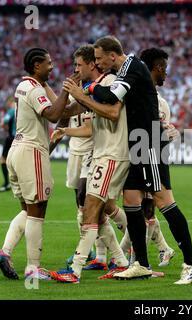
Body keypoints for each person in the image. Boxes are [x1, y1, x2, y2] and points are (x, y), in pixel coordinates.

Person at [82, 36, 192, 284]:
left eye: (99, 58)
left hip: (149, 143)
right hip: (138, 143)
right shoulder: (128, 69)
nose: (97, 62)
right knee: (131, 199)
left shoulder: (131, 67)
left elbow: (109, 96)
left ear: (112, 55)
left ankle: (191, 262)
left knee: (163, 199)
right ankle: (141, 264)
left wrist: (88, 87)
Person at [50, 41, 131, 283]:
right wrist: (65, 92)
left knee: (92, 208)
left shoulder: (110, 83)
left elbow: (113, 113)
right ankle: (120, 262)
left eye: (79, 65)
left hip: (112, 154)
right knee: (93, 209)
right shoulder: (92, 86)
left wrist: (79, 94)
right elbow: (67, 112)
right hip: (102, 154)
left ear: (93, 64)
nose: (76, 70)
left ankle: (75, 270)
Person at [0, 48, 73, 280]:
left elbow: (62, 112)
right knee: (38, 210)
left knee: (27, 210)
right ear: (37, 65)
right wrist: (67, 92)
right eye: (48, 63)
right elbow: (54, 115)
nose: (52, 66)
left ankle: (5, 252)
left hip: (16, 151)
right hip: (31, 153)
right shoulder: (33, 88)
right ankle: (33, 268)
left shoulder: (22, 86)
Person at [119, 48, 178, 267]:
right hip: (133, 154)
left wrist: (168, 134)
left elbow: (162, 130)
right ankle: (157, 251)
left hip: (152, 155)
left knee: (148, 208)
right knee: (134, 205)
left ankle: (127, 257)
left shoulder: (161, 103)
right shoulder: (131, 94)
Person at [0, 96, 16, 192]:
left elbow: (3, 123)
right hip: (21, 139)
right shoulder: (22, 109)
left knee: (3, 159)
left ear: (11, 101)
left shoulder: (11, 111)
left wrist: (6, 128)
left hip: (11, 138)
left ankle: (6, 184)